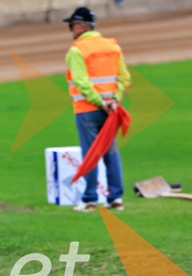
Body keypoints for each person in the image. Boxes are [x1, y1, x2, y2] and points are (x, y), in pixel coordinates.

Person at [64, 7, 131, 212]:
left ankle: (90, 199)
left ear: (82, 26)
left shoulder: (77, 50)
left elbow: (82, 83)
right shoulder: (112, 46)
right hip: (110, 110)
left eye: (72, 26)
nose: (70, 30)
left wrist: (99, 101)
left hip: (87, 110)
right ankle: (116, 199)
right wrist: (113, 100)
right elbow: (125, 78)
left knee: (91, 154)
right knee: (111, 153)